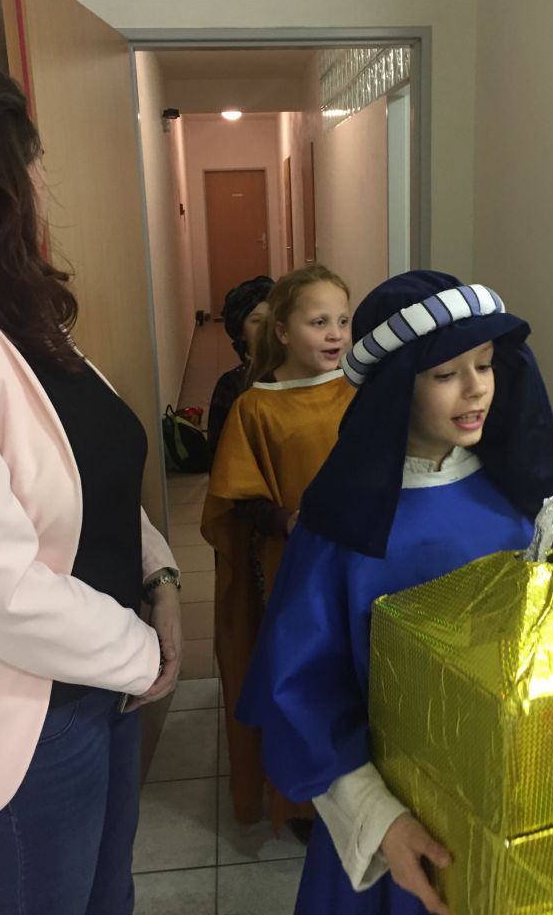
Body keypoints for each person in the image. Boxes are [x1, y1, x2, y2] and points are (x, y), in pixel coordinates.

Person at [236, 270, 553, 915]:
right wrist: (380, 819)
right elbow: (301, 695)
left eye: (486, 364)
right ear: (396, 388)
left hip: (542, 801)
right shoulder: (342, 533)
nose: (476, 389)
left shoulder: (536, 501)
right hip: (411, 823)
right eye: (446, 374)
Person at [0, 52, 183, 915]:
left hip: (99, 684)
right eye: (29, 158)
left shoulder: (11, 307)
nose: (44, 180)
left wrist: (159, 575)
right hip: (24, 723)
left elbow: (97, 469)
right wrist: (141, 652)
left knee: (111, 897)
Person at [201, 264, 356, 830]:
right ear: (283, 332)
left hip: (357, 564)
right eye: (319, 322)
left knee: (353, 678)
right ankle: (302, 802)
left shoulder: (359, 392)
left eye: (343, 320)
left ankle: (359, 793)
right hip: (294, 570)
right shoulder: (257, 406)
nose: (336, 334)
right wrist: (284, 521)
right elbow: (237, 496)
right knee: (302, 682)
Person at [207, 274, 274, 460]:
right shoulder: (231, 386)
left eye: (273, 318)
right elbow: (219, 457)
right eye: (256, 321)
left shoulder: (299, 370)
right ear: (241, 331)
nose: (267, 328)